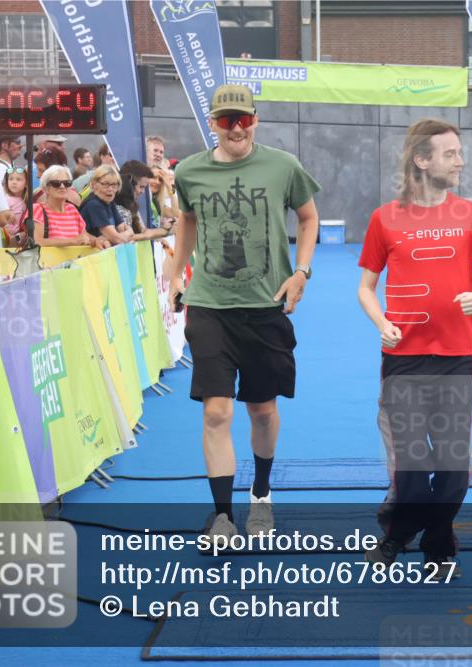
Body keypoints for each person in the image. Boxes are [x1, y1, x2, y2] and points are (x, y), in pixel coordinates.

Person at [168, 84, 320, 544]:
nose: (236, 128)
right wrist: (176, 275)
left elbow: (308, 217)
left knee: (262, 411)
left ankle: (261, 492)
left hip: (265, 307)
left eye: (244, 119)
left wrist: (301, 272)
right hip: (210, 306)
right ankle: (222, 516)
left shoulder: (283, 166)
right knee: (216, 413)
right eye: (226, 120)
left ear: (255, 120)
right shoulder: (189, 171)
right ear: (212, 124)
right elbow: (187, 219)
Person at [358, 118, 472, 578]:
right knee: (411, 466)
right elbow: (366, 288)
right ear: (422, 160)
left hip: (456, 360)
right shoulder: (384, 218)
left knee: (453, 470)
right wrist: (382, 322)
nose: (460, 161)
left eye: (460, 152)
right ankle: (432, 547)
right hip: (403, 360)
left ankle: (404, 535)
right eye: (450, 154)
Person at [30, 165, 108, 250]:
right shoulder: (37, 209)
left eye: (67, 183)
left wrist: (96, 241)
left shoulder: (72, 209)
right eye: (56, 183)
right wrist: (73, 241)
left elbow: (84, 236)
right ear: (46, 189)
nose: (62, 186)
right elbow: (38, 242)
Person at [79, 165, 134, 245]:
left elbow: (122, 230)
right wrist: (129, 231)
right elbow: (118, 239)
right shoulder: (94, 205)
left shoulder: (110, 203)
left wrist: (128, 233)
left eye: (114, 185)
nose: (110, 189)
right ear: (94, 185)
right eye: (105, 184)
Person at [2, 166, 30, 246]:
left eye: (18, 179)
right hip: (7, 236)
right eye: (11, 179)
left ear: (26, 184)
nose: (14, 182)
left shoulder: (26, 200)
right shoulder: (6, 199)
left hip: (18, 236)